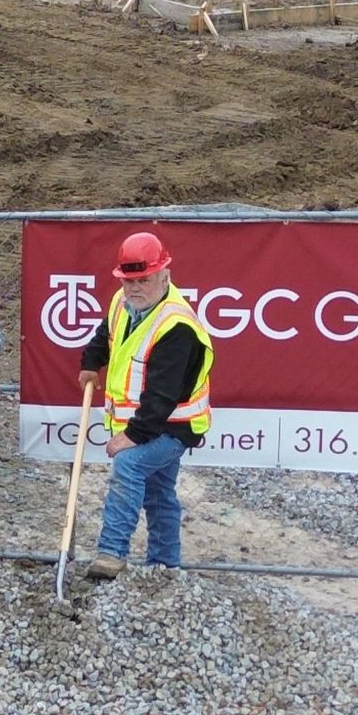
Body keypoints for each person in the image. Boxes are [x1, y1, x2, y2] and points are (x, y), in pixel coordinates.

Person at [77, 231, 215, 580]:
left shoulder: (176, 326)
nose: (134, 287)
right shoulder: (123, 304)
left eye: (143, 280)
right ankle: (165, 567)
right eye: (128, 281)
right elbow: (103, 337)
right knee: (158, 492)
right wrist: (91, 363)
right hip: (152, 422)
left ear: (164, 277)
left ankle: (111, 554)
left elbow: (163, 395)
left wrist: (132, 436)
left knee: (128, 465)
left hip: (174, 426)